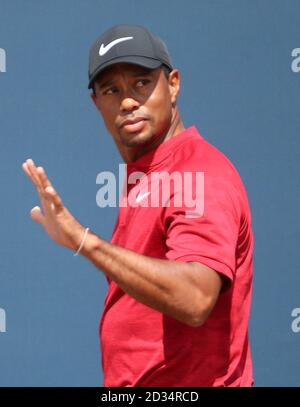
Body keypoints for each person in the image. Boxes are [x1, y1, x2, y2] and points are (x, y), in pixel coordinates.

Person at [22, 24, 254, 387]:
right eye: (112, 90)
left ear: (173, 84)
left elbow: (195, 297)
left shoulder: (198, 171)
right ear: (96, 103)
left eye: (141, 83)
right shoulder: (145, 177)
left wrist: (84, 240)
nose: (128, 101)